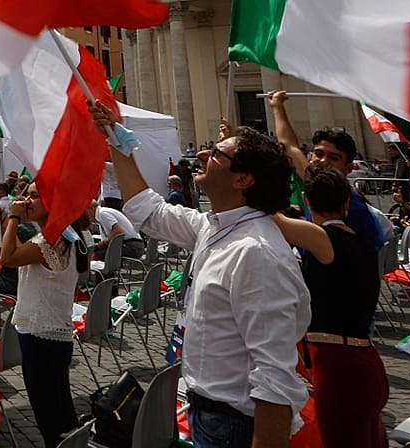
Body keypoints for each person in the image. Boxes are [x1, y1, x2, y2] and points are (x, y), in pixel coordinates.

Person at [102, 102, 309, 448]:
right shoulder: (212, 227)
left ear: (242, 179)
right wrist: (115, 139)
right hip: (209, 414)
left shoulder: (256, 253)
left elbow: (275, 379)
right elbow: (148, 211)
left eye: (215, 154)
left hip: (233, 425)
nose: (201, 154)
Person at [291, 168, 388, 447]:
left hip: (338, 368)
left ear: (306, 200)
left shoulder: (325, 239)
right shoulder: (360, 242)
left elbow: (274, 220)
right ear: (347, 202)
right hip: (364, 360)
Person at [0, 181, 87, 445]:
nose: (27, 201)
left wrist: (13, 216)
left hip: (41, 336)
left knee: (49, 416)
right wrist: (10, 221)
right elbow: (14, 248)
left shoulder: (50, 239)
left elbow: (8, 258)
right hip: (50, 333)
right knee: (61, 411)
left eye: (34, 196)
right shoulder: (59, 234)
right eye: (27, 195)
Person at [265, 91, 384, 249]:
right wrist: (277, 106)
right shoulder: (316, 180)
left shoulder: (353, 211)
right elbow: (289, 146)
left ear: (348, 168)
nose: (322, 161)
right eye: (319, 154)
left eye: (334, 158)